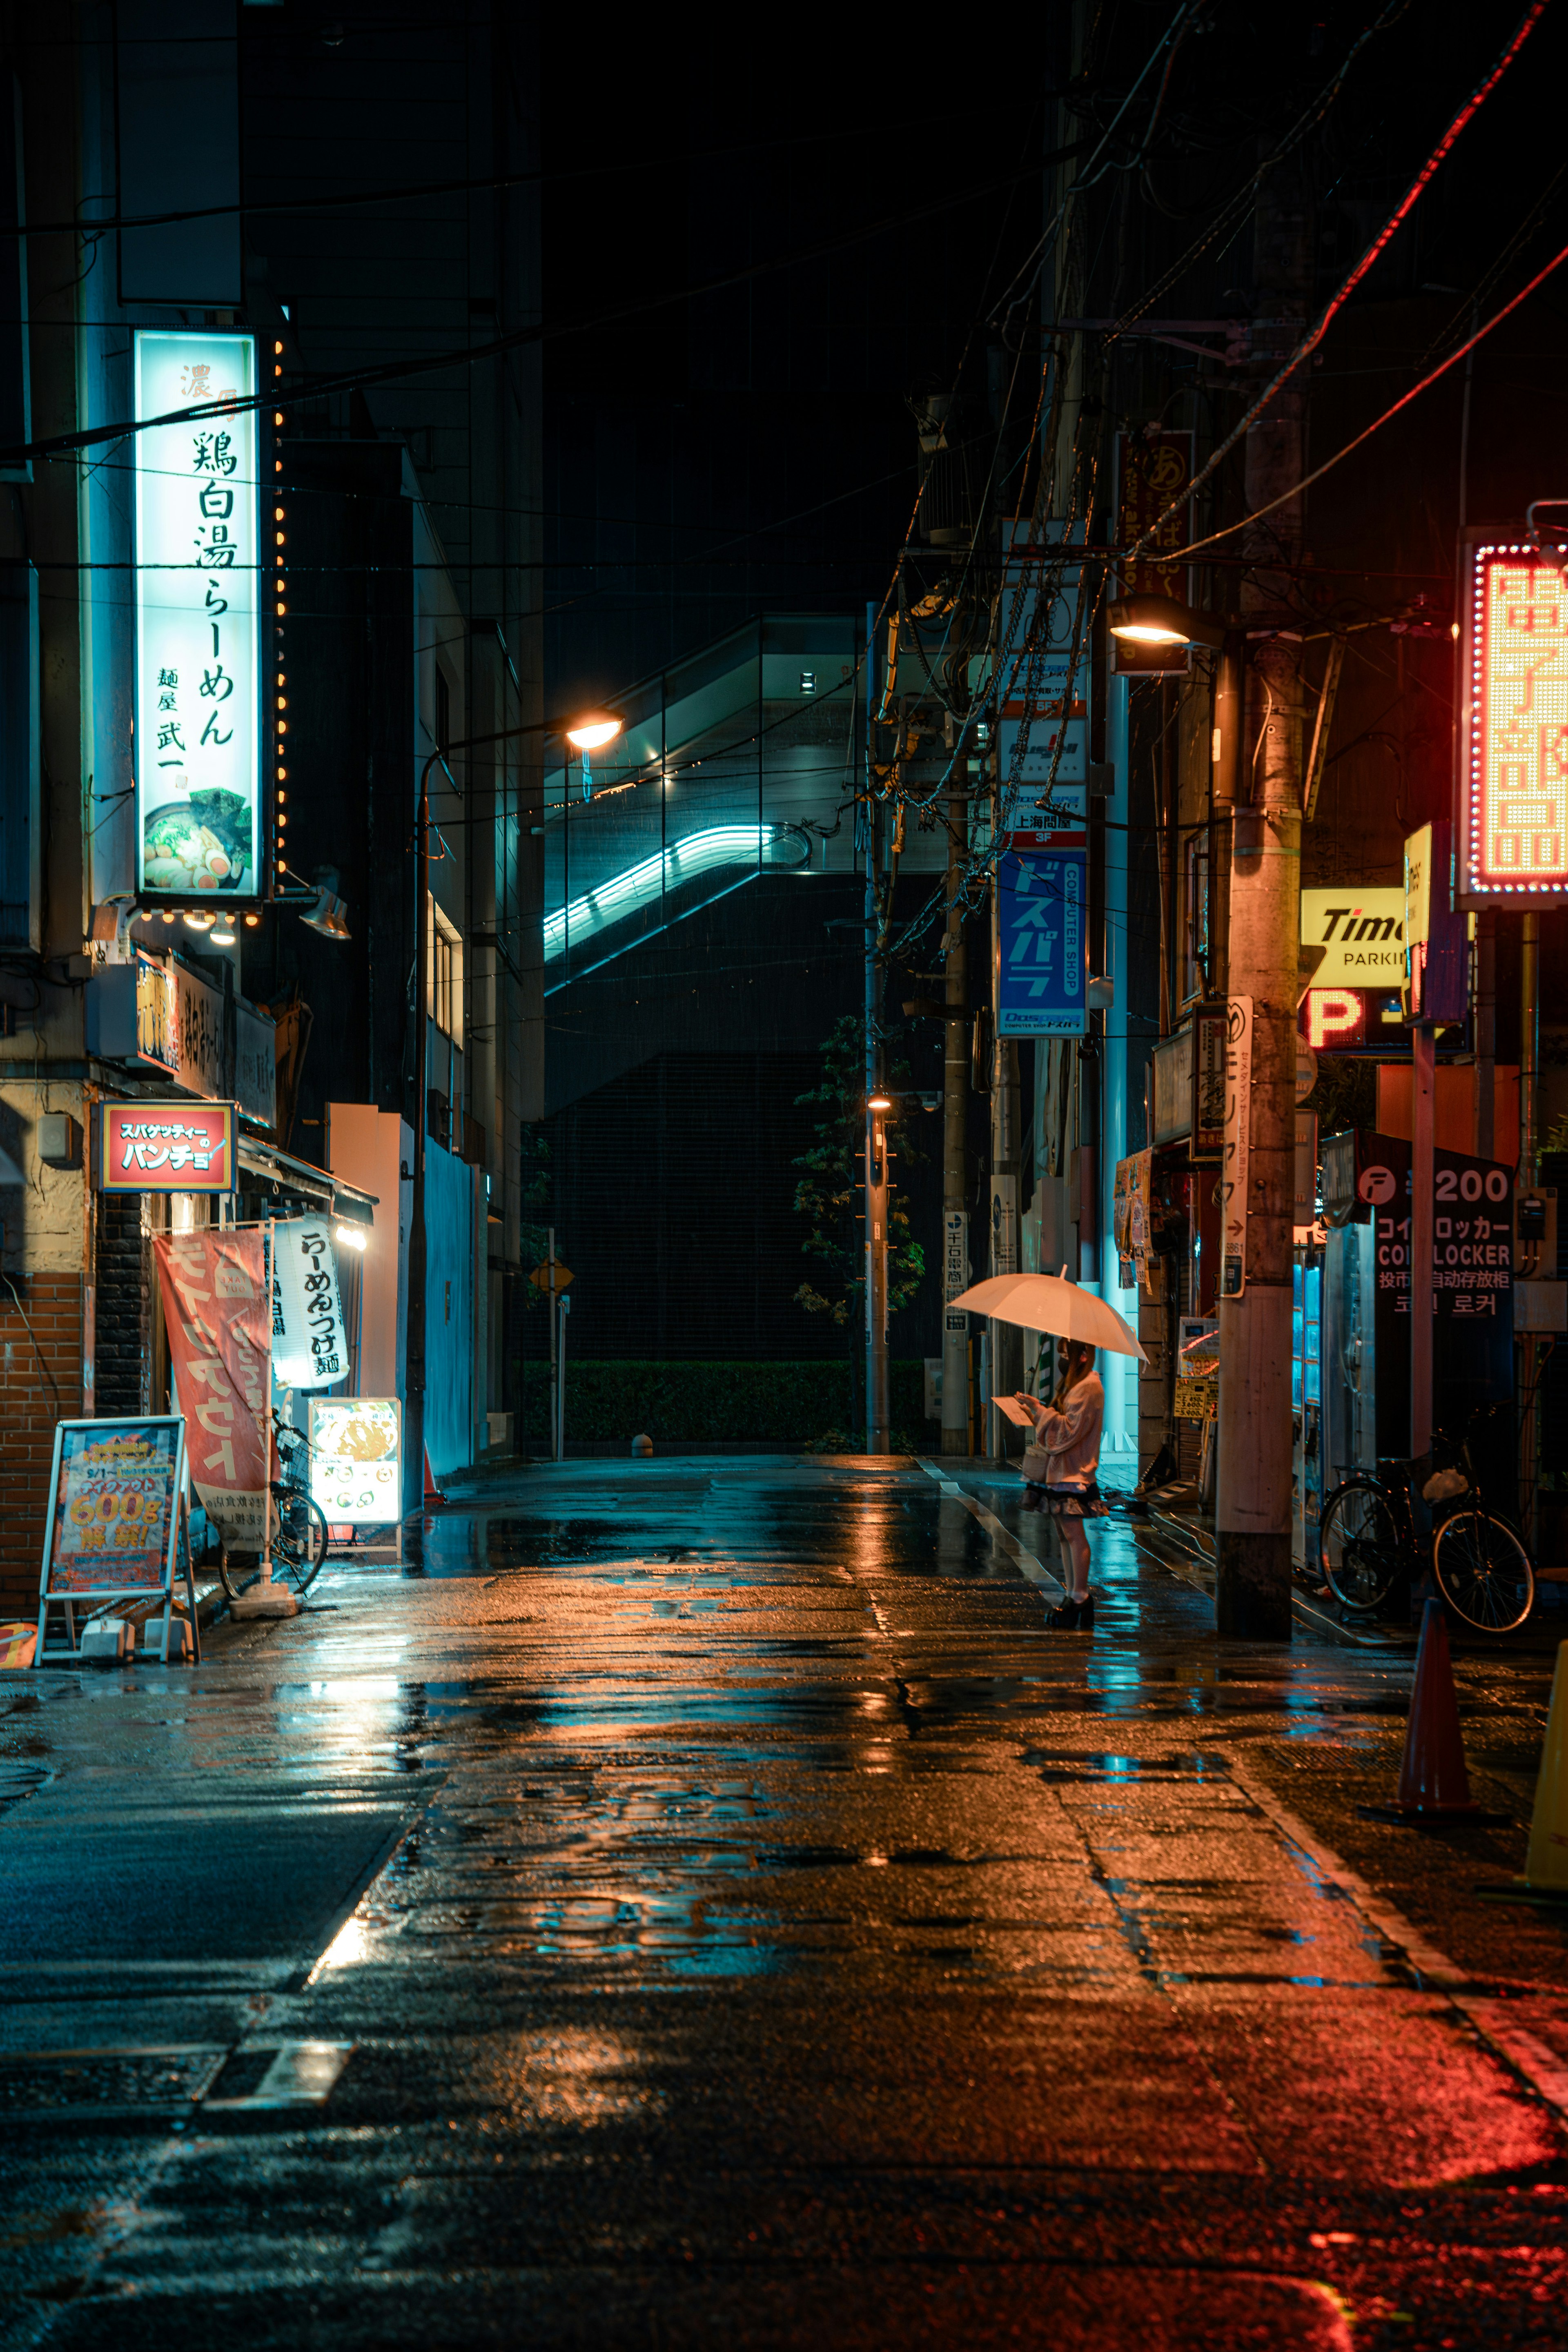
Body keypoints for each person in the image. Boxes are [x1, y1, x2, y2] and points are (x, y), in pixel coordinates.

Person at [1016, 1339, 1107, 1632]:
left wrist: (1040, 1411)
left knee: (1073, 1534)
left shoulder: (1088, 1389)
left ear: (1083, 1356)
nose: (1062, 1357)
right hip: (1062, 1473)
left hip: (1074, 1474)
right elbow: (1059, 1427)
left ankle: (1080, 1597)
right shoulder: (1077, 1385)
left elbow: (1067, 1432)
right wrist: (1035, 1410)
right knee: (1064, 1535)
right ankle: (1073, 1594)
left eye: (1067, 1352)